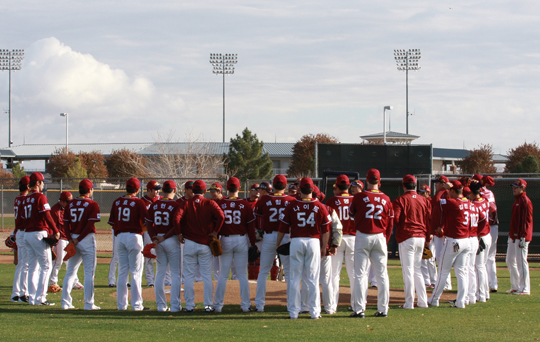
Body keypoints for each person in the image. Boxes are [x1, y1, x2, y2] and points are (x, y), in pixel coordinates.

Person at [278, 177, 331, 319]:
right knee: (313, 278)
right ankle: (315, 312)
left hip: (296, 241)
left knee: (295, 278)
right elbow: (326, 230)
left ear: (300, 189)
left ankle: (293, 312)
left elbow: (283, 227)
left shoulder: (292, 204)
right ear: (313, 189)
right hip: (313, 241)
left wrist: (278, 243)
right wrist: (324, 247)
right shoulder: (320, 206)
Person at [349, 169, 394, 318]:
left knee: (360, 275)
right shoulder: (387, 198)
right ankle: (383, 309)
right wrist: (385, 240)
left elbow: (351, 213)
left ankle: (359, 309)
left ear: (366, 180)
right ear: (379, 181)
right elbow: (390, 222)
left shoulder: (359, 196)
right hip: (380, 236)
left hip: (363, 235)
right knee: (382, 275)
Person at [175, 180, 225, 312]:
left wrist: (179, 233)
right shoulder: (210, 203)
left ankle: (190, 306)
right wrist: (215, 232)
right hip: (205, 244)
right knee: (207, 276)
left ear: (192, 190)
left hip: (189, 243)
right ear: (204, 191)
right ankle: (208, 306)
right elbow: (221, 216)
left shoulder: (186, 203)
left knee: (189, 276)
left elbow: (176, 219)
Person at [213, 177, 257, 312]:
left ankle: (218, 306)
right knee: (243, 275)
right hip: (241, 240)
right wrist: (253, 244)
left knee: (223, 275)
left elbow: (215, 223)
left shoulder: (220, 204)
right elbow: (251, 227)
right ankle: (245, 305)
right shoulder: (245, 204)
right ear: (239, 189)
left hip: (225, 240)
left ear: (226, 189)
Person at [428, 180, 472, 308]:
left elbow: (435, 201)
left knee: (443, 271)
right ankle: (461, 301)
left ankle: (434, 299)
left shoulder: (453, 203)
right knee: (461, 272)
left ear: (453, 191)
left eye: (450, 191)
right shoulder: (467, 202)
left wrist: (443, 189)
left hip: (454, 240)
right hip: (466, 240)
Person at [254, 175, 295, 312]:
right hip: (286, 237)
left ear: (273, 185)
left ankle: (259, 305)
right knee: (289, 272)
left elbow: (257, 220)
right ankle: (291, 304)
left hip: (269, 236)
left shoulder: (265, 199)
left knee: (263, 271)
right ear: (285, 186)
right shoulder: (291, 200)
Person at [108, 178, 148, 311]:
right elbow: (145, 223)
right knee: (136, 272)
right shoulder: (139, 202)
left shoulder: (117, 202)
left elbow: (113, 223)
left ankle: (121, 305)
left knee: (122, 271)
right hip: (134, 236)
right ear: (137, 190)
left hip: (120, 237)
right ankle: (137, 305)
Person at [61, 179, 101, 310]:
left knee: (70, 272)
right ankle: (89, 304)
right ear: (89, 190)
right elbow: (90, 225)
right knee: (89, 273)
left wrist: (70, 239)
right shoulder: (92, 204)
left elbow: (65, 223)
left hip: (73, 237)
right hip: (86, 239)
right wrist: (79, 239)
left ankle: (65, 303)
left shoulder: (70, 204)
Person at [393, 175, 431, 309]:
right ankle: (423, 301)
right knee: (417, 270)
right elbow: (428, 220)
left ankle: (409, 303)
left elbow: (395, 219)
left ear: (404, 186)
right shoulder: (424, 200)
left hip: (407, 237)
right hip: (421, 237)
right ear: (415, 185)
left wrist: (403, 227)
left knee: (408, 271)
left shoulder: (400, 200)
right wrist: (427, 238)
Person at [22, 172, 59, 306]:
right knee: (46, 266)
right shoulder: (40, 197)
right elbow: (47, 216)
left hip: (27, 234)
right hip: (38, 233)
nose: (43, 185)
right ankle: (41, 298)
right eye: (42, 182)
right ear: (38, 183)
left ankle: (32, 297)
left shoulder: (25, 198)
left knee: (33, 266)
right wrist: (55, 230)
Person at [145, 180, 183, 312]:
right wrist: (164, 237)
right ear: (175, 190)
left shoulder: (154, 205)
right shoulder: (176, 205)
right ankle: (175, 306)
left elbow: (148, 223)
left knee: (160, 273)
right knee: (176, 274)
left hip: (158, 240)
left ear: (162, 191)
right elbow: (176, 225)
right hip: (170, 239)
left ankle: (161, 305)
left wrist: (154, 238)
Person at [327, 175, 356, 313]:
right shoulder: (356, 199)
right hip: (354, 238)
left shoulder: (332, 201)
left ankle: (332, 306)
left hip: (337, 239)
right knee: (355, 274)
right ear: (349, 186)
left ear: (337, 187)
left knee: (334, 274)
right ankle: (357, 304)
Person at [506, 179, 533, 295]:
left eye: (516, 187)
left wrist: (523, 236)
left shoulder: (525, 201)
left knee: (521, 262)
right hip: (514, 236)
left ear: (523, 188)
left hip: (521, 236)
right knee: (510, 260)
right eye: (513, 186)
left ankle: (525, 288)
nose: (514, 188)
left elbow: (527, 221)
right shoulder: (517, 200)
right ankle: (516, 286)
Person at [49, 191, 81, 289]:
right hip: (60, 240)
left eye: (70, 201)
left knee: (71, 261)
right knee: (58, 261)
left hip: (68, 238)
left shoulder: (70, 208)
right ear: (62, 201)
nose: (69, 203)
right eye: (67, 202)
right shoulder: (55, 210)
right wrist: (52, 244)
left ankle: (74, 282)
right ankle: (52, 282)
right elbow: (51, 227)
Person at [477, 175, 499, 293]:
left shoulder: (480, 194)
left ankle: (482, 286)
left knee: (481, 259)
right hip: (494, 226)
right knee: (490, 257)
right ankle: (493, 284)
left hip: (485, 227)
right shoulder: (490, 193)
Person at [469, 181, 491, 302]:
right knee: (482, 266)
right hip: (487, 235)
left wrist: (477, 236)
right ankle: (485, 293)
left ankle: (481, 295)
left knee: (479, 266)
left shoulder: (475, 204)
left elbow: (481, 219)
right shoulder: (485, 200)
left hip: (481, 236)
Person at [431, 175, 452, 291]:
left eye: (438, 183)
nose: (435, 185)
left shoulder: (446, 194)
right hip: (437, 230)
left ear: (443, 184)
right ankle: (444, 282)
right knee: (439, 257)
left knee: (442, 258)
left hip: (442, 231)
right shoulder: (441, 193)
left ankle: (447, 283)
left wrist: (443, 226)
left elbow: (436, 203)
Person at [11, 176, 30, 303]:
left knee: (21, 264)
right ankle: (23, 294)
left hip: (19, 232)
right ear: (28, 186)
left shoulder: (18, 198)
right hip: (24, 232)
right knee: (26, 265)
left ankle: (15, 293)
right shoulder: (25, 199)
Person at [141, 180, 163, 288]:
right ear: (149, 190)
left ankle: (163, 279)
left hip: (160, 232)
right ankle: (150, 280)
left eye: (159, 189)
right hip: (147, 231)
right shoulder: (142, 201)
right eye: (155, 189)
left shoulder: (162, 200)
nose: (158, 191)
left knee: (161, 256)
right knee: (149, 256)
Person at [419, 185, 437, 288]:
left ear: (428, 193)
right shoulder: (422, 202)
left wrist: (429, 233)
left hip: (430, 234)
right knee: (423, 258)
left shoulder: (430, 203)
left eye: (422, 192)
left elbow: (431, 220)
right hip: (423, 233)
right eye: (420, 192)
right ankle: (426, 281)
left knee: (430, 258)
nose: (421, 194)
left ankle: (433, 280)